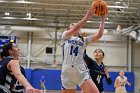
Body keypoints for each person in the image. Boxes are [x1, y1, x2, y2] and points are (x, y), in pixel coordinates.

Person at [61, 7, 106, 93]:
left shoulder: (84, 40)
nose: (75, 25)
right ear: (68, 29)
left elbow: (99, 35)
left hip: (81, 70)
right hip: (67, 71)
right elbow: (74, 29)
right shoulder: (65, 37)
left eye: (76, 24)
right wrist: (87, 17)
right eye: (72, 25)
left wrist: (103, 18)